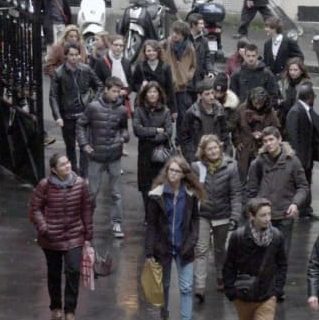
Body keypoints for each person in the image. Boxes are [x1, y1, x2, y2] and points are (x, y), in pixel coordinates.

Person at [222, 197, 287, 320]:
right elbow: (228, 265)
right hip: (243, 295)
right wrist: (231, 291)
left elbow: (282, 264)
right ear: (251, 216)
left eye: (269, 214)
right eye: (263, 215)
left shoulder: (276, 237)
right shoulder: (239, 237)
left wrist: (277, 289)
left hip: (266, 295)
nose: (268, 219)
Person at [145, 157, 207, 320]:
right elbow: (151, 225)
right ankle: (164, 315)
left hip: (184, 246)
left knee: (187, 288)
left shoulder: (189, 195)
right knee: (163, 286)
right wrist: (149, 251)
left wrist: (193, 239)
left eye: (177, 171)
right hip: (162, 247)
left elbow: (195, 219)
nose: (172, 174)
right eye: (170, 170)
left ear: (183, 175)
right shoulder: (156, 195)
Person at [29, 153, 93, 320]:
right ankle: (56, 306)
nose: (67, 166)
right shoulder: (45, 185)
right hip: (52, 238)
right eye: (63, 164)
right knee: (54, 273)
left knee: (73, 271)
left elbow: (86, 210)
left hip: (74, 235)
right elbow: (35, 209)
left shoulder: (80, 185)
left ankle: (70, 310)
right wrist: (44, 227)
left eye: (68, 162)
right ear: (54, 170)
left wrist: (88, 235)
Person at [245, 127, 308, 296]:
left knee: (281, 253)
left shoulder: (292, 161)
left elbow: (302, 186)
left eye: (271, 140)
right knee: (263, 252)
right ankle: (266, 286)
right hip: (263, 216)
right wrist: (252, 211)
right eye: (265, 141)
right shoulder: (258, 162)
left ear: (279, 139)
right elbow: (250, 190)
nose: (268, 144)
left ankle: (277, 288)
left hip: (284, 214)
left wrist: (295, 203)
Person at [77, 77, 129, 239]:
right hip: (96, 155)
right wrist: (84, 144)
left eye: (118, 91)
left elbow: (124, 129)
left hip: (113, 155)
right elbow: (80, 124)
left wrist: (123, 138)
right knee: (92, 192)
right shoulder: (93, 107)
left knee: (116, 193)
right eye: (113, 91)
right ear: (106, 89)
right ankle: (87, 222)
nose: (116, 95)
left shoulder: (121, 110)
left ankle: (117, 222)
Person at [192, 134, 242, 303]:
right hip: (203, 215)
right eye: (209, 149)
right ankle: (199, 287)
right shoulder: (197, 167)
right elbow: (191, 192)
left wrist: (235, 216)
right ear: (204, 152)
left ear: (220, 149)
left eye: (215, 148)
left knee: (221, 250)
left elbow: (236, 193)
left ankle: (221, 276)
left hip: (223, 215)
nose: (213, 151)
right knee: (201, 249)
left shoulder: (231, 167)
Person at [284, 81, 319, 220]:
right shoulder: (295, 112)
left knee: (307, 183)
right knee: (301, 184)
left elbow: (317, 120)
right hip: (301, 158)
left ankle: (306, 209)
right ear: (310, 97)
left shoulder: (307, 110)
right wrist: (297, 159)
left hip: (308, 156)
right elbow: (293, 137)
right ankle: (300, 209)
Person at [49, 44, 103, 176]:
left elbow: (99, 86)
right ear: (66, 56)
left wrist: (92, 103)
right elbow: (53, 96)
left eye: (76, 55)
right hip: (67, 115)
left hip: (83, 114)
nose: (74, 58)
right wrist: (57, 116)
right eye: (71, 55)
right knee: (70, 146)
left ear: (80, 55)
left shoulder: (86, 69)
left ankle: (83, 175)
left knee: (84, 145)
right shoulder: (59, 72)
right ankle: (73, 172)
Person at [132, 82, 173, 217]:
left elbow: (168, 132)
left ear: (159, 94)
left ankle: (160, 214)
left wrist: (150, 137)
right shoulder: (139, 110)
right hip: (144, 154)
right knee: (145, 186)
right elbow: (137, 130)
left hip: (160, 153)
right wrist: (155, 130)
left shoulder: (166, 111)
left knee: (161, 183)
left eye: (155, 92)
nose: (152, 94)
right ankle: (148, 215)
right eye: (150, 92)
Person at [233, 87, 281, 180]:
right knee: (241, 176)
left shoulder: (269, 112)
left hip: (262, 148)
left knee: (260, 177)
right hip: (244, 147)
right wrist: (237, 141)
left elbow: (276, 129)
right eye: (255, 103)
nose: (258, 106)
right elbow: (235, 127)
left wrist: (263, 135)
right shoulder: (242, 109)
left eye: (260, 104)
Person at [179, 81, 229, 163]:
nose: (212, 97)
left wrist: (225, 151)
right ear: (199, 96)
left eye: (212, 93)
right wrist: (191, 157)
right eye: (207, 94)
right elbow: (185, 138)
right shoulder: (192, 113)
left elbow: (225, 133)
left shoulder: (220, 110)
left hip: (217, 153)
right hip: (200, 156)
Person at [161, 20, 198, 130]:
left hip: (182, 87)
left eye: (178, 33)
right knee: (165, 114)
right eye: (173, 32)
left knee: (182, 116)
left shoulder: (190, 48)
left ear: (184, 35)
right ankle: (165, 139)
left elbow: (193, 65)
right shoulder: (165, 44)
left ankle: (179, 142)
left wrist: (188, 76)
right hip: (166, 86)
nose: (174, 35)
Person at [131, 40, 177, 120]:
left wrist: (173, 110)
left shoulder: (165, 67)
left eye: (154, 50)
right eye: (149, 50)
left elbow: (170, 89)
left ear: (158, 51)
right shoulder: (140, 67)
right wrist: (141, 86)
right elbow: (133, 84)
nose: (151, 53)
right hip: (143, 104)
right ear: (145, 52)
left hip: (161, 103)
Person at [93, 35, 132, 117]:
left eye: (121, 46)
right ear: (110, 45)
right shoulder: (101, 62)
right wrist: (108, 92)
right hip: (105, 101)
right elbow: (95, 81)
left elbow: (130, 81)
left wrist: (126, 91)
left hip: (122, 100)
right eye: (116, 45)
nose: (118, 47)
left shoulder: (127, 62)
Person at [279, 58, 310, 126]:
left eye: (295, 70)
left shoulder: (305, 84)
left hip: (298, 117)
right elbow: (282, 96)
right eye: (290, 70)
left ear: (301, 71)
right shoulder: (285, 81)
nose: (292, 72)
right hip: (285, 115)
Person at [188, 13, 215, 84]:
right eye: (200, 24)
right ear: (193, 24)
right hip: (186, 77)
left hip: (199, 77)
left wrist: (210, 71)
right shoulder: (185, 38)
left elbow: (207, 57)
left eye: (203, 23)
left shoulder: (204, 40)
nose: (203, 26)